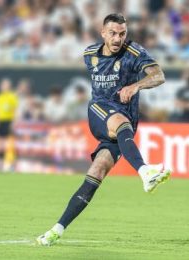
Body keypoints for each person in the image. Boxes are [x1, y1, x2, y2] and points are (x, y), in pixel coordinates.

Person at [37, 13, 171, 246]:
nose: (118, 38)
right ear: (103, 33)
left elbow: (158, 75)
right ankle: (145, 172)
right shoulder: (89, 54)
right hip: (99, 111)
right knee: (118, 119)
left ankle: (55, 230)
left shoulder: (134, 52)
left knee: (97, 172)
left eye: (122, 33)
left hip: (124, 125)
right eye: (112, 33)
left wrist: (136, 85)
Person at [0, 78, 18, 171]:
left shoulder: (12, 97)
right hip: (1, 121)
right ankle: (0, 164)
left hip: (8, 121)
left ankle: (13, 164)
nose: (3, 87)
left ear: (9, 86)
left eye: (5, 85)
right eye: (2, 85)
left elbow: (14, 110)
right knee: (0, 144)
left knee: (9, 144)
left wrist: (13, 122)